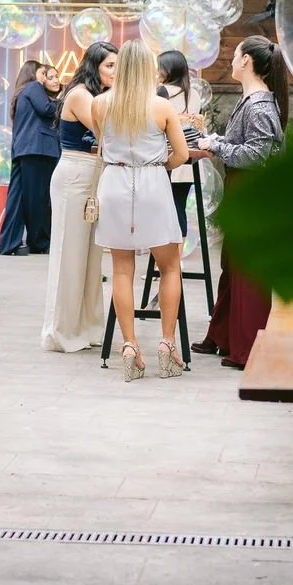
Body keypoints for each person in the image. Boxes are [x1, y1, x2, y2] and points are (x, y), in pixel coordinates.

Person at [92, 40, 189, 383]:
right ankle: (167, 344)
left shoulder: (100, 104)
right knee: (170, 265)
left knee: (121, 270)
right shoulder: (162, 107)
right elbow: (182, 154)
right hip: (152, 183)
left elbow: (102, 146)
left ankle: (130, 346)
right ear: (148, 68)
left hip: (115, 182)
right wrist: (159, 164)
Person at [193, 35, 288, 371]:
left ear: (246, 60)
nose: (231, 60)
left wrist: (216, 147)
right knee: (233, 265)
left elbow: (256, 155)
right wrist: (215, 141)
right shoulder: (255, 101)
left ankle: (246, 346)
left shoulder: (260, 105)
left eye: (234, 55)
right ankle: (224, 337)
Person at [41, 41, 117, 353]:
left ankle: (88, 327)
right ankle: (63, 330)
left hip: (94, 175)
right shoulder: (81, 95)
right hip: (75, 174)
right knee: (68, 254)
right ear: (94, 66)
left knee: (91, 258)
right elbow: (107, 131)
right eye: (110, 65)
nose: (115, 72)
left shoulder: (97, 96)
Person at [0, 59, 61, 256]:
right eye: (43, 73)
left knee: (18, 197)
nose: (45, 78)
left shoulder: (21, 92)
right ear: (33, 74)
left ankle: (10, 242)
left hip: (25, 149)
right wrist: (63, 101)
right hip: (38, 149)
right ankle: (39, 242)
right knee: (38, 199)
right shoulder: (34, 87)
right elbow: (47, 110)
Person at [157, 50, 202, 240]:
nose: (157, 70)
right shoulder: (195, 94)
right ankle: (175, 262)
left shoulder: (163, 92)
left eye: (160, 66)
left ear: (168, 69)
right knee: (179, 209)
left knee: (165, 213)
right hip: (189, 158)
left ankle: (165, 265)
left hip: (168, 156)